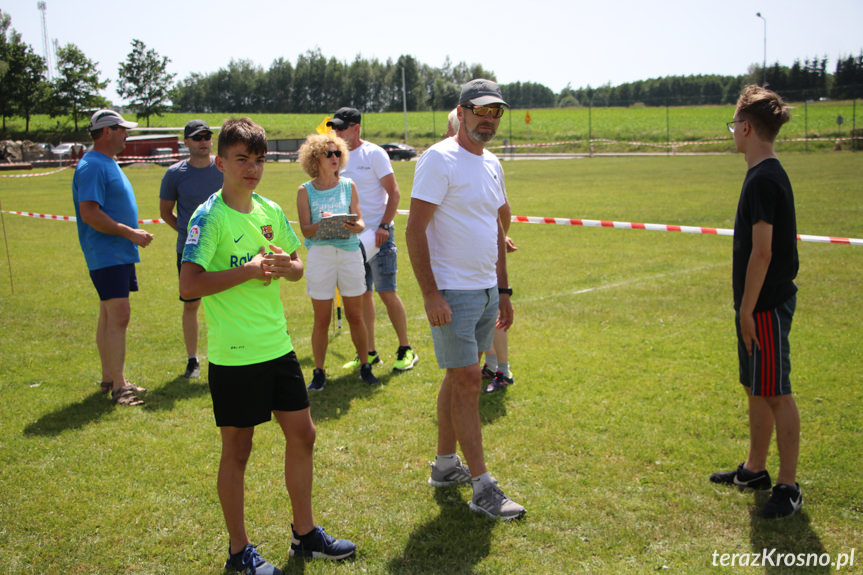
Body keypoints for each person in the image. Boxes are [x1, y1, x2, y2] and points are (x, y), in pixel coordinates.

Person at [180, 118, 356, 573]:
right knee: (237, 452)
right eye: (242, 159)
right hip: (234, 357)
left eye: (258, 160)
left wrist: (284, 266)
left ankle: (305, 534)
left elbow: (297, 267)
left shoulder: (270, 210)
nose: (252, 169)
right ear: (220, 162)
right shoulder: (209, 217)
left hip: (276, 348)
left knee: (304, 435)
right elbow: (189, 284)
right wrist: (250, 269)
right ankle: (239, 553)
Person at [406, 79, 525, 520]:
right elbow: (414, 229)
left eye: (496, 113)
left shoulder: (492, 162)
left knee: (461, 378)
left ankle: (443, 467)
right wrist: (431, 292)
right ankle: (482, 486)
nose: (488, 119)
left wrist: (505, 289)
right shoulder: (439, 159)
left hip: (487, 291)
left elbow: (497, 230)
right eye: (481, 111)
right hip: (452, 293)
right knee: (469, 382)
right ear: (463, 111)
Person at [709, 85, 802, 519]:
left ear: (746, 127)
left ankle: (787, 486)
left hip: (763, 306)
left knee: (776, 392)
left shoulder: (764, 177)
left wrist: (747, 309)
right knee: (755, 387)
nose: (733, 132)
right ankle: (754, 469)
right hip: (753, 306)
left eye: (734, 124)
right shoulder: (762, 173)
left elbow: (762, 252)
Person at [326, 107, 418, 373]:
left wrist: (385, 226)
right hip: (351, 240)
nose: (337, 132)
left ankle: (406, 349)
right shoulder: (336, 157)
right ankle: (368, 352)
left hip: (379, 237)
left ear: (356, 128)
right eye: (334, 127)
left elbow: (395, 192)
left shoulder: (374, 154)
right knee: (362, 295)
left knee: (387, 293)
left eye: (342, 127)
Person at [72, 109, 153, 406]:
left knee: (108, 314)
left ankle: (110, 377)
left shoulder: (106, 163)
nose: (126, 135)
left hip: (115, 253)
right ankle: (120, 386)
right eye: (122, 130)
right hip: (107, 253)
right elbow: (89, 212)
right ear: (107, 132)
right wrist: (130, 233)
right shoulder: (93, 166)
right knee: (119, 315)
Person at [296, 133, 378, 390]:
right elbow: (306, 230)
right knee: (322, 319)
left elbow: (361, 221)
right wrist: (325, 223)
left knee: (356, 315)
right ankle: (319, 372)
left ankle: (365, 366)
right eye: (328, 154)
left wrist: (354, 224)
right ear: (315, 159)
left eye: (338, 153)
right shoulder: (304, 190)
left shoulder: (348, 185)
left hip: (350, 253)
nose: (335, 158)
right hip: (320, 256)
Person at [159, 119, 224, 379]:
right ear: (186, 142)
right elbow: (165, 212)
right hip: (190, 252)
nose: (204, 141)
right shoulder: (175, 174)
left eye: (207, 136)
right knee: (191, 305)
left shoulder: (222, 167)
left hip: (223, 248)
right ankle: (193, 361)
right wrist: (189, 235)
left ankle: (231, 355)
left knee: (226, 301)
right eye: (198, 137)